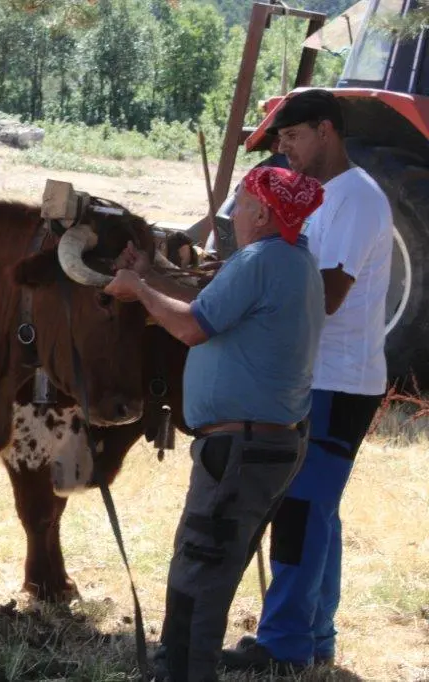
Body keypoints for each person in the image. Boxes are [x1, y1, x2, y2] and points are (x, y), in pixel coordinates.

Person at [104, 165, 326, 682]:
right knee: (210, 570)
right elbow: (208, 308)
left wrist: (138, 287)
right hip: (265, 446)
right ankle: (177, 666)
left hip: (241, 450)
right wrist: (151, 275)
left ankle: (183, 672)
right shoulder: (294, 260)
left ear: (263, 213)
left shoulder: (259, 260)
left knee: (200, 575)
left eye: (241, 204)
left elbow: (190, 326)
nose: (234, 215)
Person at [221, 89, 393, 673]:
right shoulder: (326, 197)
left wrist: (248, 302)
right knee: (317, 509)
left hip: (339, 383)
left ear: (325, 130)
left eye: (291, 138)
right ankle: (314, 635)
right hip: (319, 377)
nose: (286, 151)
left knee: (300, 509)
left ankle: (286, 646)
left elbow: (329, 295)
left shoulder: (355, 201)